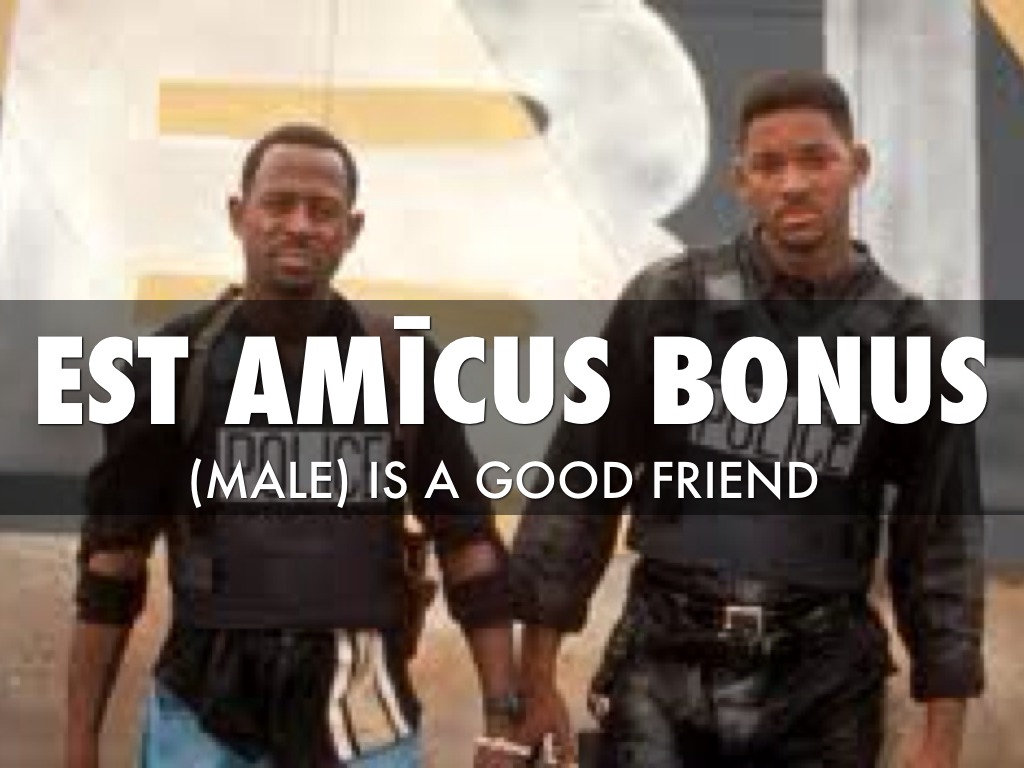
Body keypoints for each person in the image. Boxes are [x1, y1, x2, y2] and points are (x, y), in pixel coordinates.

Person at [511, 71, 985, 767]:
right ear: (741, 180)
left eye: (815, 160)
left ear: (857, 166)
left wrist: (941, 741)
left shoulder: (913, 342)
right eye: (769, 165)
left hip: (825, 680)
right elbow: (577, 488)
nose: (793, 184)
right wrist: (534, 680)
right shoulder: (669, 300)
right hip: (663, 660)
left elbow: (941, 549)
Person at [66, 123, 527, 767]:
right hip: (202, 720)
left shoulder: (404, 366)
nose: (300, 225)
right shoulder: (172, 363)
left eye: (323, 210)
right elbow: (112, 562)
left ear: (352, 229)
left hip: (362, 721)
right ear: (239, 215)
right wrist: (80, 743)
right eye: (279, 204)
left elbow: (468, 545)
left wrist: (503, 719)